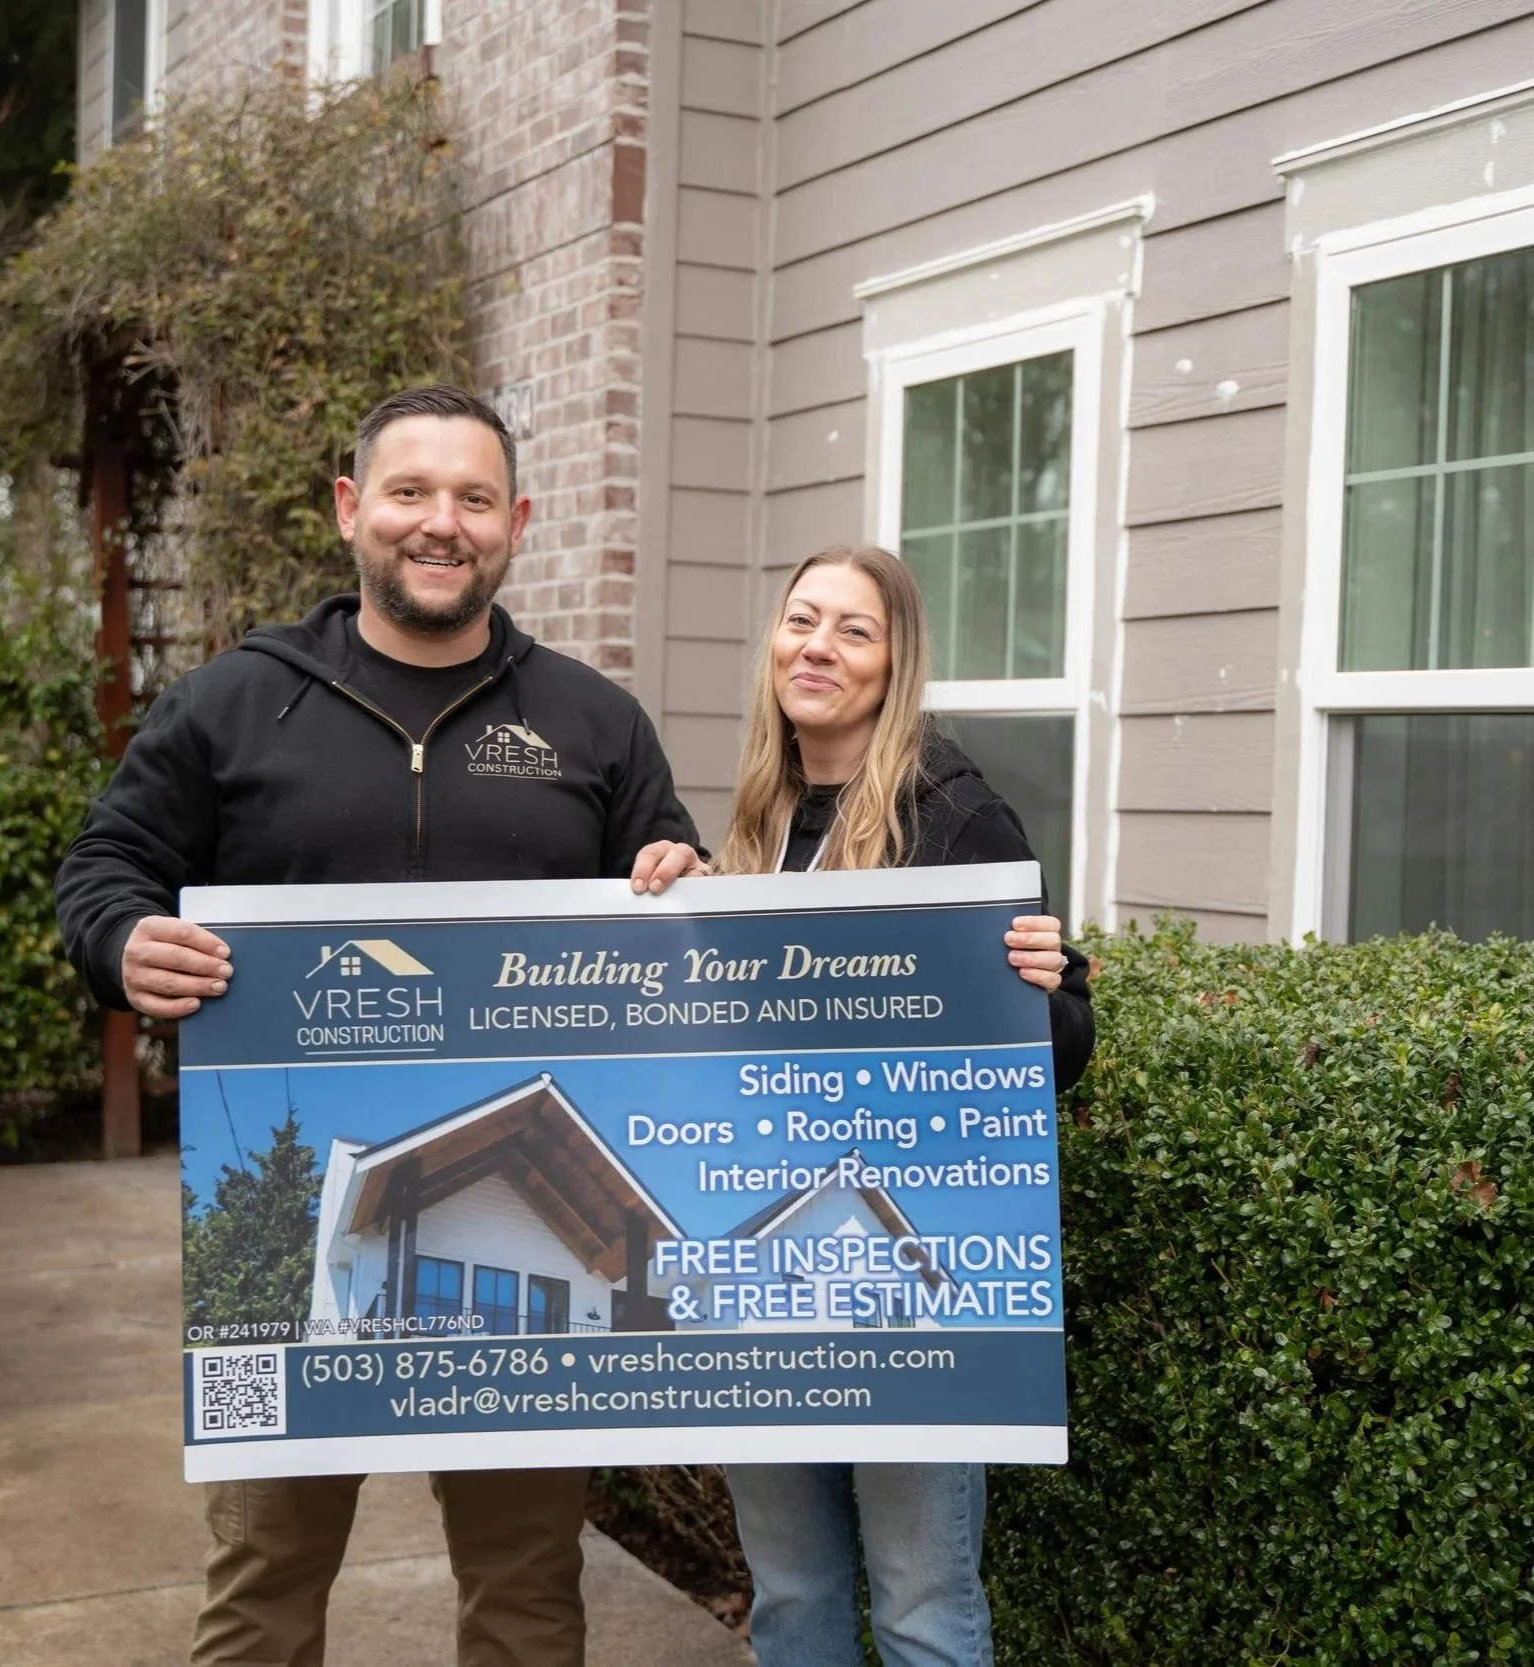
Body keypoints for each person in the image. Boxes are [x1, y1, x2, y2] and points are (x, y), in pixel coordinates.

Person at [56, 385, 701, 1667]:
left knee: (526, 1588)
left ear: (515, 522)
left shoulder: (589, 720)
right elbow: (105, 862)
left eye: (472, 498)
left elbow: (666, 893)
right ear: (353, 509)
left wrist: (677, 887)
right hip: (276, 1212)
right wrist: (124, 939)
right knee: (263, 1582)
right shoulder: (234, 704)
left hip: (524, 1225)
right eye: (410, 492)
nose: (439, 523)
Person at [632, 544, 1095, 1667]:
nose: (818, 647)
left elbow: (1053, 1051)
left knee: (923, 1607)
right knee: (790, 1599)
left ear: (893, 666)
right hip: (759, 1267)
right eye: (802, 620)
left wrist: (1055, 979)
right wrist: (663, 901)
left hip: (906, 1269)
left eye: (853, 629)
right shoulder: (757, 818)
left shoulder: (957, 819)